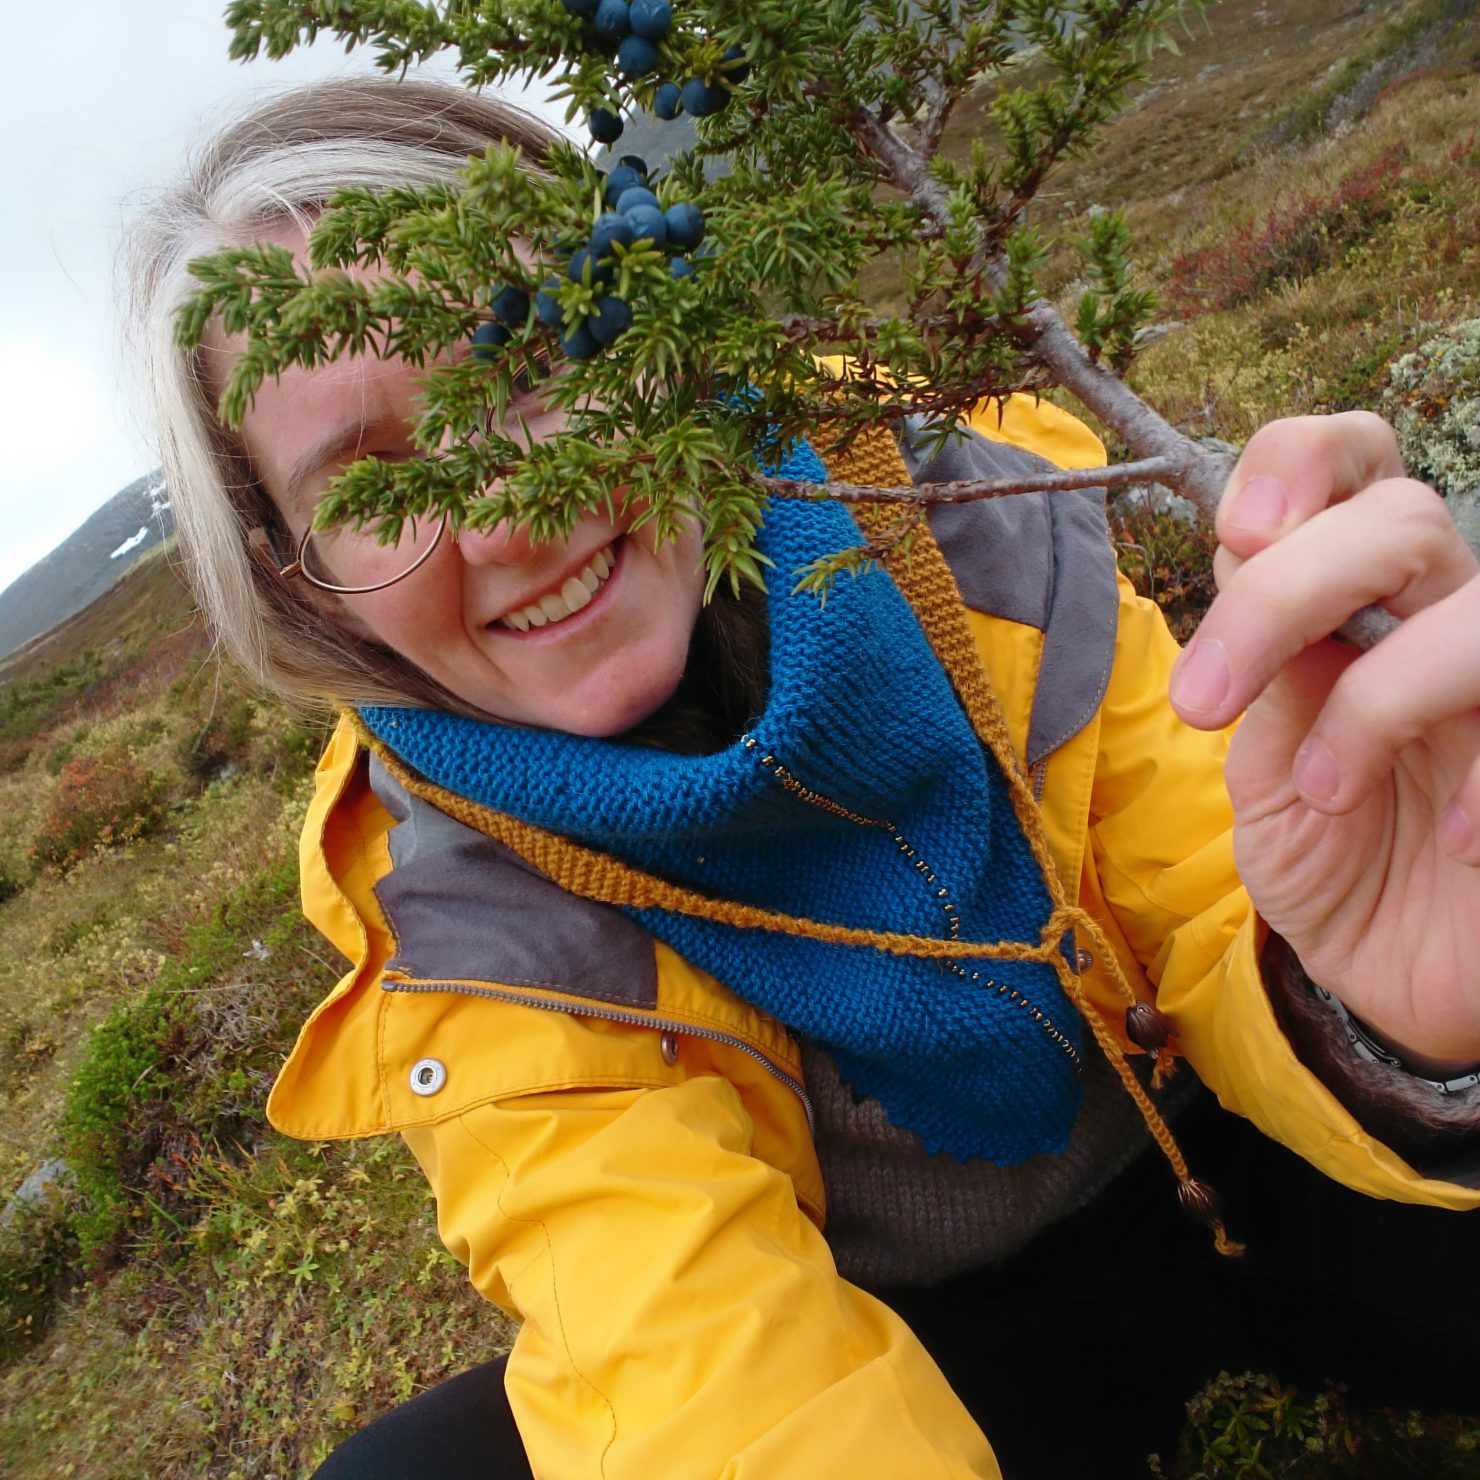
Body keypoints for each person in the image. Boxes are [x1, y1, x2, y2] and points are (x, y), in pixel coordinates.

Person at [129, 76, 1480, 1479]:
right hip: (934, 1331)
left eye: (528, 369)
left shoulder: (943, 499)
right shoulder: (456, 921)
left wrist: (1410, 1030)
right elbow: (716, 1368)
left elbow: (1211, 903)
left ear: (655, 325)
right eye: (371, 489)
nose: (512, 522)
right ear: (308, 592)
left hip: (1248, 1129)